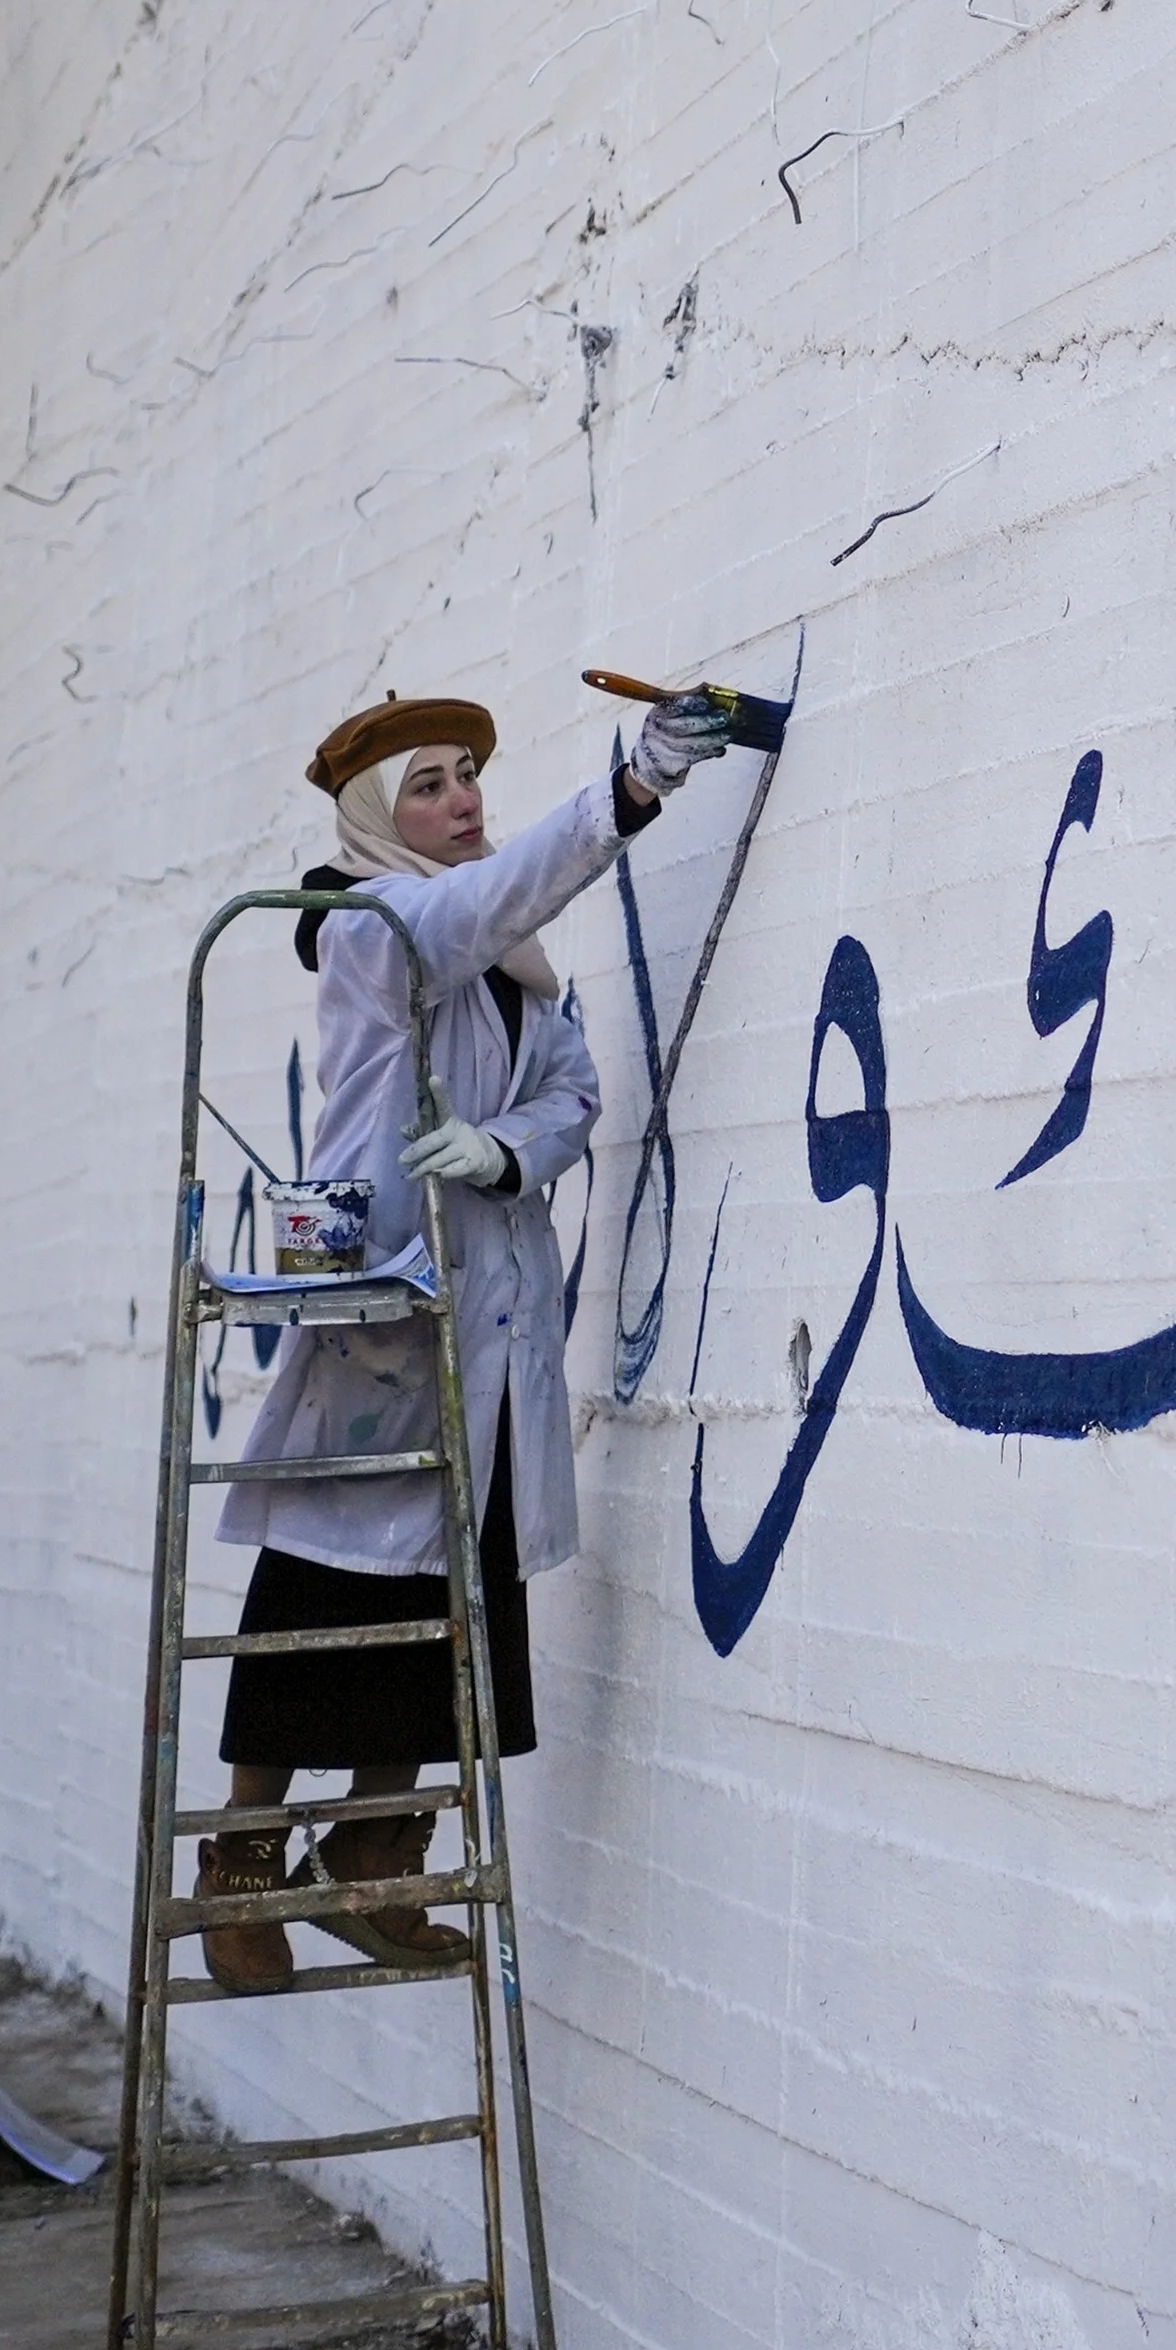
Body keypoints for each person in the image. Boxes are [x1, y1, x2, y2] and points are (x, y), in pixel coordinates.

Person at [193, 686, 733, 1988]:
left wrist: (507, 1152)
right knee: (326, 1590)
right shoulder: (373, 925)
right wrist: (631, 791)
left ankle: (372, 1858)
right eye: (428, 785)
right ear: (379, 819)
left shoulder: (521, 974)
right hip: (383, 1317)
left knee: (457, 1599)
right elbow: (485, 902)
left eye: (469, 777)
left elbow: (574, 1096)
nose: (463, 802)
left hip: (490, 1320)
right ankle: (241, 1871)